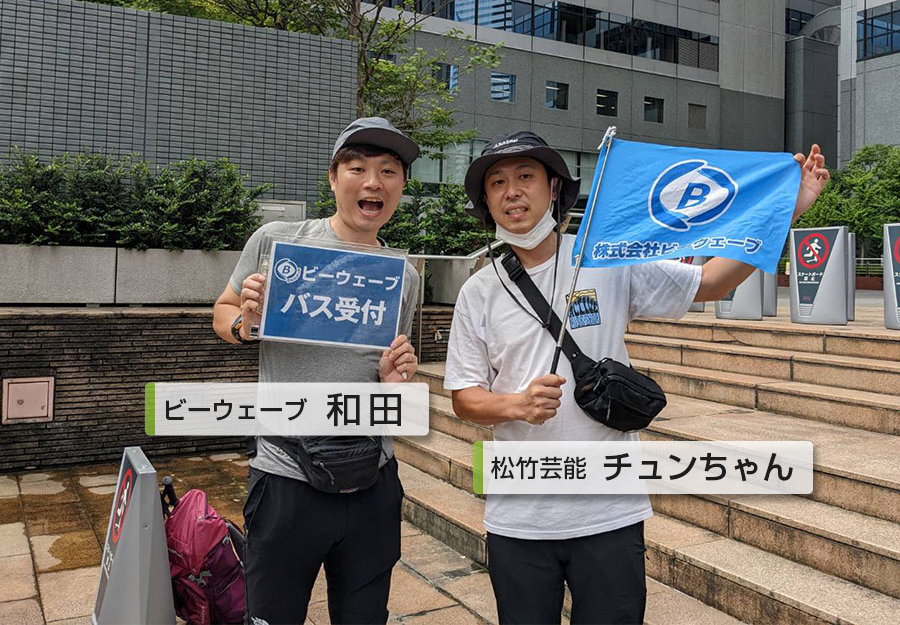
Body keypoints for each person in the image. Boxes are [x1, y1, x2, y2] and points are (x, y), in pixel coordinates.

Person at [444, 131, 829, 624]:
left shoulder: (606, 259)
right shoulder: (480, 291)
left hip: (610, 511)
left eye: (525, 177)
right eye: (497, 182)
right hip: (519, 517)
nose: (511, 191)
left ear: (555, 188)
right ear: (486, 201)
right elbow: (464, 397)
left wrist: (787, 210)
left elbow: (710, 282)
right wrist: (514, 405)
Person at [212, 117, 421, 624]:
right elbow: (223, 311)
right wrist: (248, 322)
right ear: (333, 178)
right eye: (358, 168)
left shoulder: (403, 275)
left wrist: (395, 379)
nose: (373, 182)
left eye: (389, 172)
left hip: (372, 475)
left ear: (401, 188)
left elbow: (387, 370)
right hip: (286, 475)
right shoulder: (278, 242)